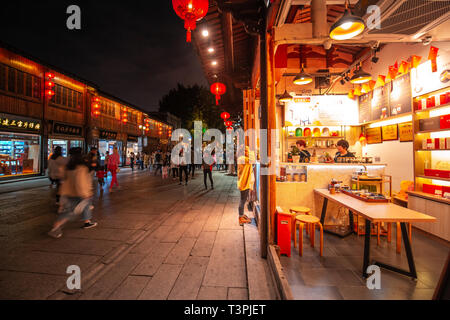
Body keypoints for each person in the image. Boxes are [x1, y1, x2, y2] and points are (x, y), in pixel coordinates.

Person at [48, 148, 97, 238]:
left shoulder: (67, 165)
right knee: (71, 212)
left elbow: (62, 177)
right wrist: (86, 194)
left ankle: (87, 222)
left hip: (68, 192)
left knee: (76, 208)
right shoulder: (81, 167)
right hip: (78, 192)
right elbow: (80, 182)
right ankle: (55, 227)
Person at [237, 146, 255, 226]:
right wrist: (251, 151)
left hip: (244, 182)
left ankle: (242, 215)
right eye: (246, 151)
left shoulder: (242, 158)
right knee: (242, 200)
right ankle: (241, 218)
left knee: (243, 200)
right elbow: (252, 160)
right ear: (243, 151)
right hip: (243, 183)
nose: (247, 152)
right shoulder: (242, 158)